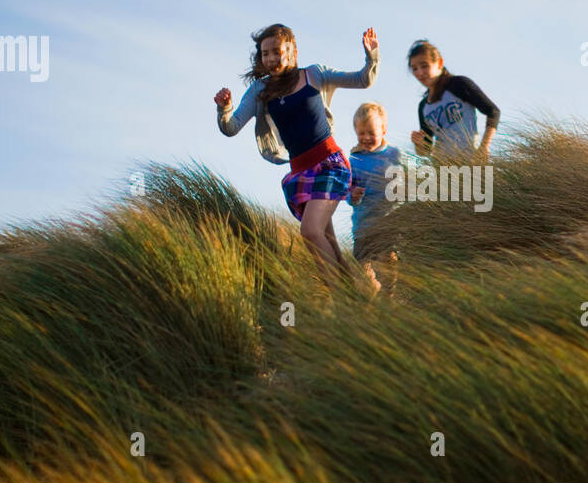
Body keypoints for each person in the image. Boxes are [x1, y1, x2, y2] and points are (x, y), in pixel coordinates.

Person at [214, 23, 378, 287]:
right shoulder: (260, 90)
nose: (270, 59)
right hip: (301, 172)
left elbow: (363, 80)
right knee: (331, 245)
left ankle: (338, 300)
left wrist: (371, 56)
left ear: (292, 51)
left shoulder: (314, 75)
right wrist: (224, 108)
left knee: (311, 231)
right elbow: (231, 128)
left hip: (329, 165)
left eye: (276, 52)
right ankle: (359, 295)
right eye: (265, 54)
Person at [347, 102, 422, 293]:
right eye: (361, 133)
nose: (366, 137)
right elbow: (347, 190)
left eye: (371, 132)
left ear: (384, 129)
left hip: (389, 221)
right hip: (363, 226)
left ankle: (390, 297)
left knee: (387, 260)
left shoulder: (395, 155)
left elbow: (417, 173)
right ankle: (373, 295)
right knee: (361, 272)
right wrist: (352, 196)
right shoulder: (354, 160)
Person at [407, 39, 500, 160]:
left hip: (470, 161)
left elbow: (493, 112)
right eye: (414, 68)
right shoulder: (423, 106)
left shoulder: (459, 84)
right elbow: (425, 151)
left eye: (424, 66)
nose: (419, 72)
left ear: (439, 63)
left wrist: (484, 147)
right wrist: (418, 143)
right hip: (441, 167)